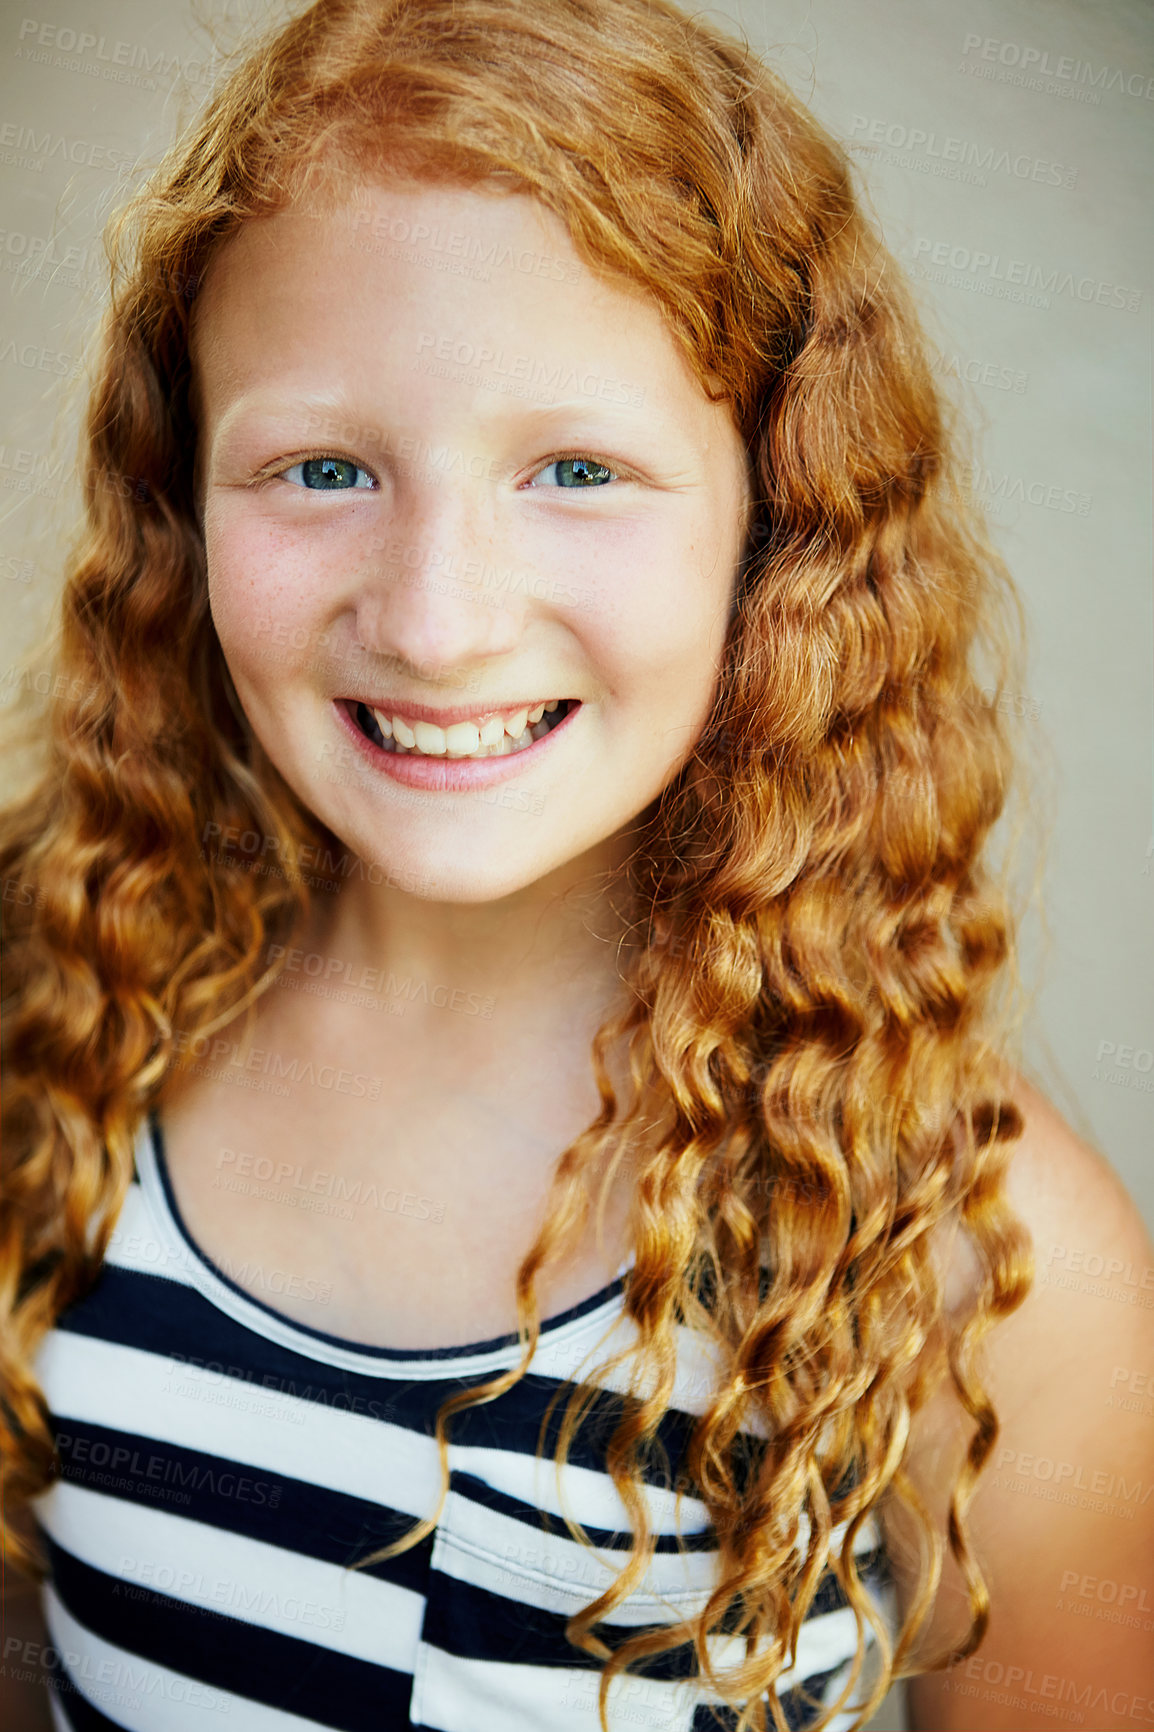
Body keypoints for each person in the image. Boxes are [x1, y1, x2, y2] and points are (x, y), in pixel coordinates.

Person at [1, 0, 1151, 1728]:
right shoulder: (57, 1032)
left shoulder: (970, 1248)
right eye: (321, 467)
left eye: (578, 470)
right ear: (178, 498)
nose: (439, 622)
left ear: (773, 529)